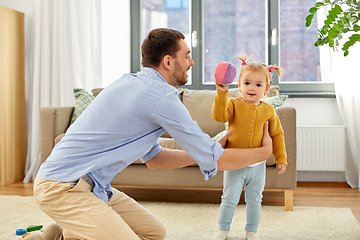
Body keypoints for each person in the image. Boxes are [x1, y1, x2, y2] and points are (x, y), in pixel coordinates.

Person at [29, 29, 273, 240]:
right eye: (186, 55)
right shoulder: (160, 97)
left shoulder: (133, 84)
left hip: (93, 187)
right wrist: (262, 153)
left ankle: (58, 234)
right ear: (168, 61)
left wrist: (203, 151)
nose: (192, 62)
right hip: (62, 187)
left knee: (154, 233)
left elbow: (155, 159)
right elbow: (216, 159)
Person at [210, 55, 287, 240]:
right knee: (229, 199)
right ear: (239, 84)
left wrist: (281, 157)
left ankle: (251, 232)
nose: (252, 88)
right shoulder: (233, 104)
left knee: (255, 201)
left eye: (258, 85)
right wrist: (221, 92)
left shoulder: (269, 110)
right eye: (247, 83)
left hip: (258, 166)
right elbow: (219, 116)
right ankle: (223, 231)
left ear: (266, 89)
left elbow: (277, 135)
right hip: (234, 163)